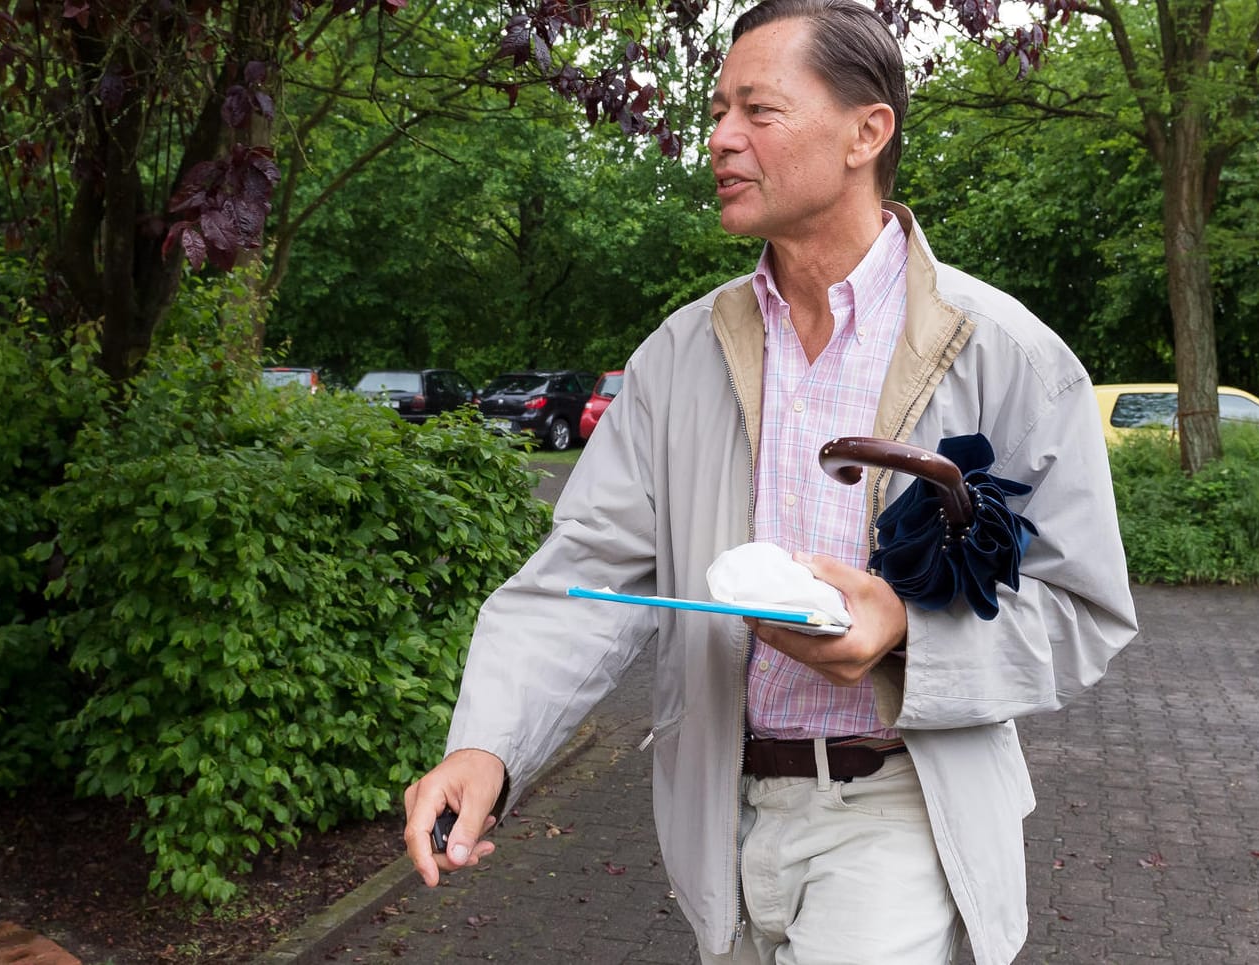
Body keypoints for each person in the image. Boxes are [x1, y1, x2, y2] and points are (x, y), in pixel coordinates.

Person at [401, 0, 1138, 961]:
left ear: (866, 132)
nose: (719, 139)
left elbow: (1084, 610)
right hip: (721, 812)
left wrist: (906, 631)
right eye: (716, 111)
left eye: (759, 110)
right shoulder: (677, 355)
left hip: (902, 808)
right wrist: (487, 743)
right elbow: (584, 574)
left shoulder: (1008, 356)